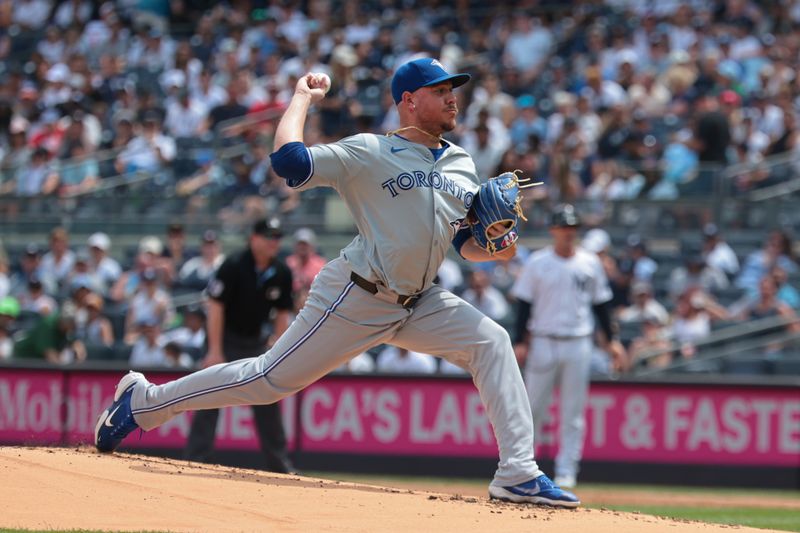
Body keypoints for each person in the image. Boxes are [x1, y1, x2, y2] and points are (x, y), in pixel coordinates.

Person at [94, 59, 579, 507]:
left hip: (420, 300)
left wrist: (497, 242)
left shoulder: (463, 164)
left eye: (454, 89)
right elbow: (288, 163)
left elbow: (467, 246)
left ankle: (517, 472)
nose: (453, 97)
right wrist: (302, 97)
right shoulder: (369, 150)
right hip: (357, 294)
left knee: (491, 341)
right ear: (409, 99)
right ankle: (143, 402)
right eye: (441, 89)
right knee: (266, 381)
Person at [511, 205, 627, 490]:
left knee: (572, 412)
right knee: (532, 408)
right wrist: (520, 342)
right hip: (543, 340)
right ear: (553, 230)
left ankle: (567, 470)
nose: (568, 233)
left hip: (578, 341)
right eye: (563, 228)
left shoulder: (589, 262)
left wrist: (611, 340)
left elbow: (601, 305)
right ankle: (525, 466)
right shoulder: (538, 262)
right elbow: (524, 306)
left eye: (572, 228)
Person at [184, 217, 296, 474]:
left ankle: (279, 465)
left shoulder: (281, 271)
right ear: (253, 238)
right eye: (269, 236)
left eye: (277, 237)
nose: (274, 242)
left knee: (268, 399)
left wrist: (279, 351)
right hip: (225, 339)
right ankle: (196, 459)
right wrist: (214, 350)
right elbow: (215, 307)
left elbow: (282, 315)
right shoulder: (233, 265)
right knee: (209, 397)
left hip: (256, 342)